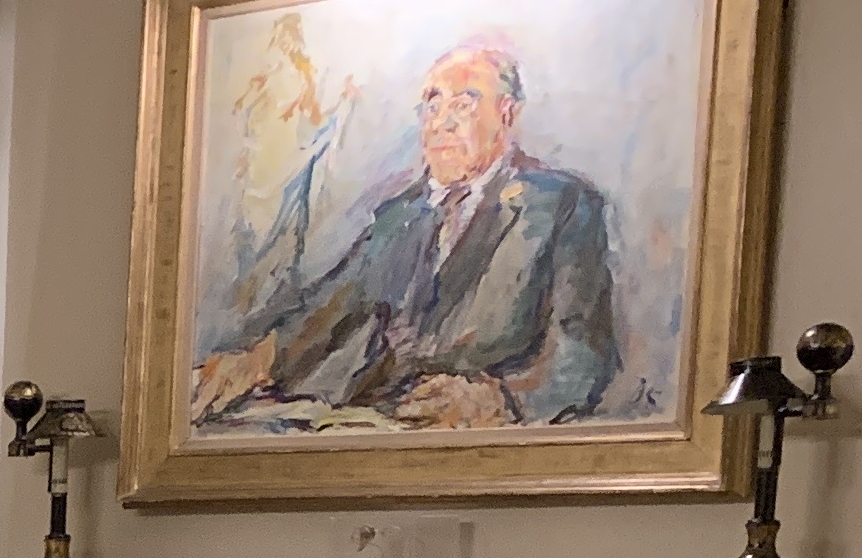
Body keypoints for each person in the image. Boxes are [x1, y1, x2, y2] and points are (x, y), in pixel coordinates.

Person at [190, 40, 622, 429]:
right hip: (381, 423)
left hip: (487, 440)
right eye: (433, 105)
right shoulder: (400, 215)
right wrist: (258, 360)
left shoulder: (560, 204)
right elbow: (330, 305)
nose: (442, 123)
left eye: (464, 104)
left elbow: (580, 354)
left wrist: (503, 400)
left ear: (506, 114)